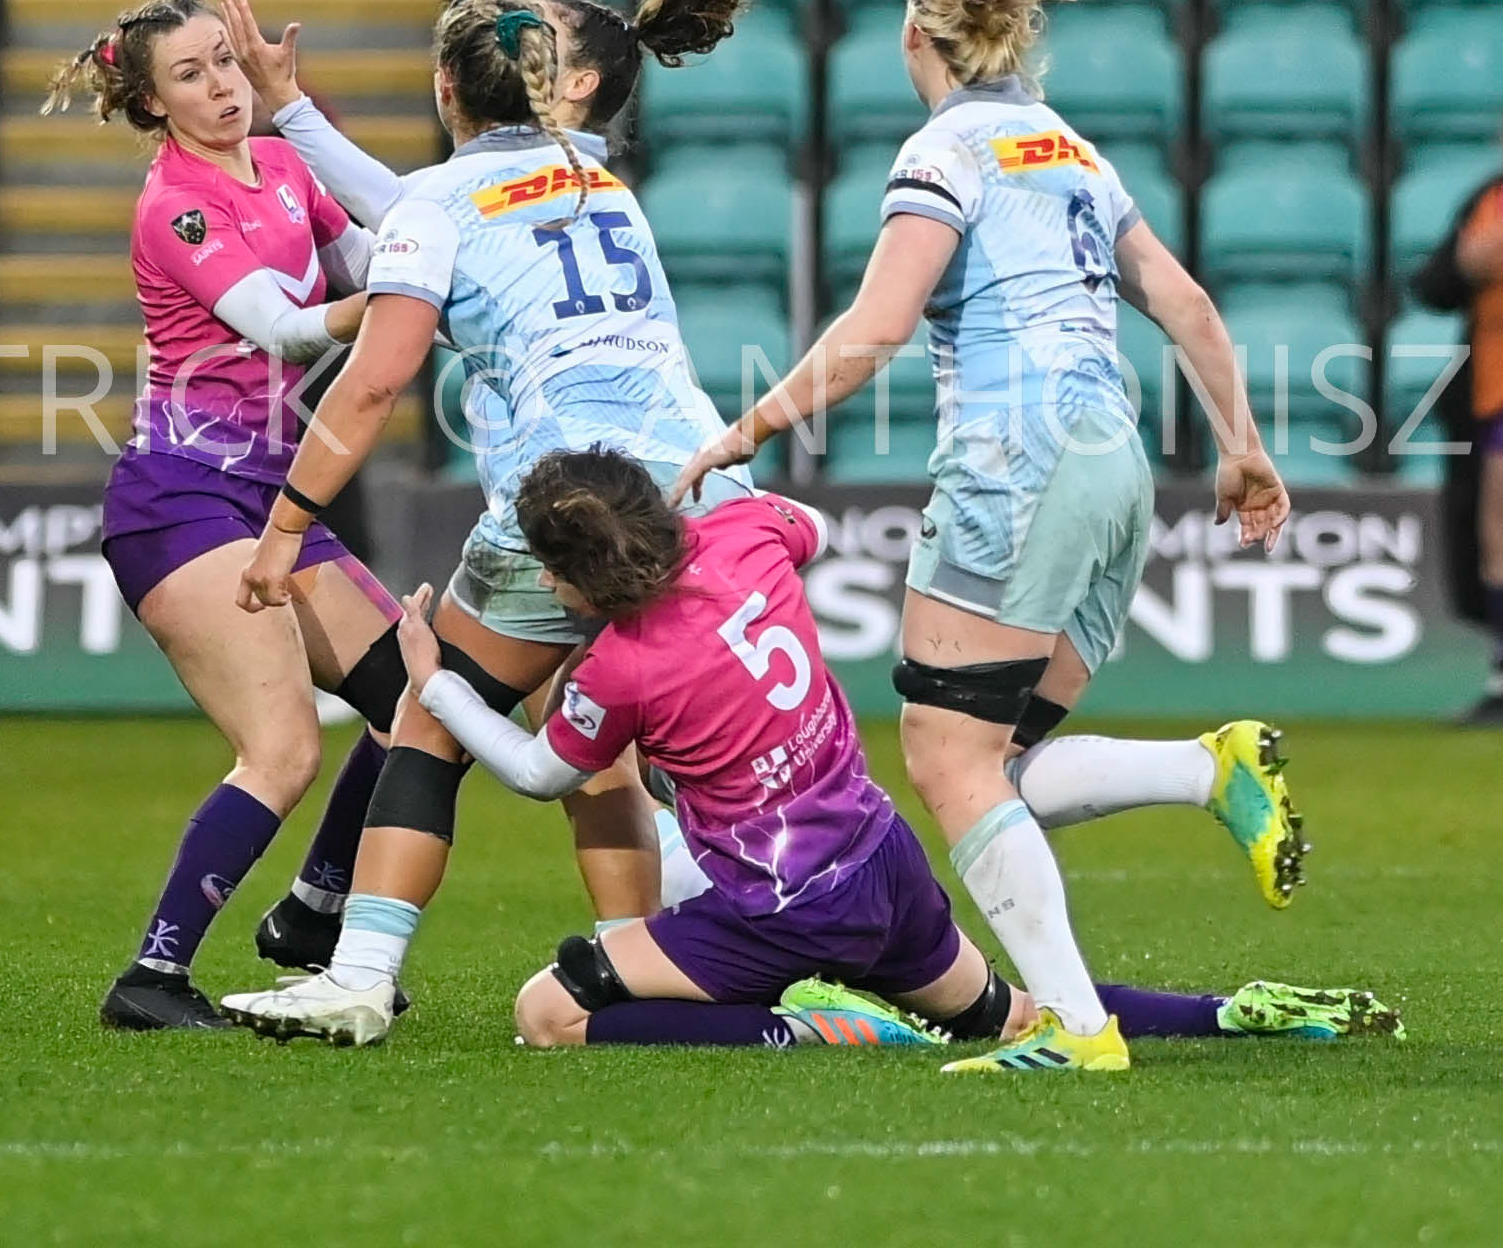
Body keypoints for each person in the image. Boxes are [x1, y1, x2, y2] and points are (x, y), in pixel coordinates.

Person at [672, 0, 1299, 1071]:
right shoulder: (1070, 150)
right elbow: (1188, 303)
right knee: (990, 759)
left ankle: (1073, 1025)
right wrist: (1242, 450)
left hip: (1018, 460)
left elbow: (874, 328)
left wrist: (744, 429)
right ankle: (1205, 768)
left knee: (943, 759)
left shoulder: (942, 149)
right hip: (1115, 465)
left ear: (912, 33)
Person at [375, 448, 1399, 1058]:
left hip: (776, 911)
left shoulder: (615, 672)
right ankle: (1237, 1015)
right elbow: (813, 523)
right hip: (879, 859)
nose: (548, 594)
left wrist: (440, 680)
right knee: (1014, 1014)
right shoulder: (742, 531)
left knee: (547, 1012)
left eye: (551, 573)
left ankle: (810, 1027)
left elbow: (536, 772)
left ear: (581, 574)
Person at [215, 0, 767, 1045]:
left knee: (428, 726)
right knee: (606, 747)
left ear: (442, 89)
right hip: (700, 492)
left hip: (566, 505)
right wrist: (296, 116)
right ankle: (646, 964)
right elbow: (430, 209)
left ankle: (359, 975)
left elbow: (375, 377)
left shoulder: (440, 202)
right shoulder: (595, 178)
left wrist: (284, 527)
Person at [42, 0, 407, 1029]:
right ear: (153, 105)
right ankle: (150, 977)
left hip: (272, 489)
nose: (220, 88)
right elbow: (285, 329)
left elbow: (369, 262)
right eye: (190, 76)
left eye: (224, 62)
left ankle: (311, 916)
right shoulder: (178, 205)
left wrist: (421, 262)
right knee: (285, 747)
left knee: (421, 700)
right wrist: (413, 289)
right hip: (183, 498)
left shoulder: (286, 166)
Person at [1413, 153, 1503, 724]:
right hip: (1494, 392)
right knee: (1496, 537)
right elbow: (1434, 284)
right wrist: (1468, 268)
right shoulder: (1489, 198)